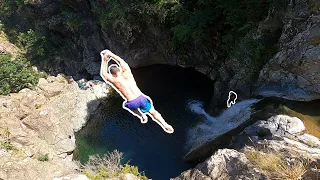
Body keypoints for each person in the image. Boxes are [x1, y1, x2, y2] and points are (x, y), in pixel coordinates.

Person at [100, 49, 174, 134]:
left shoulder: (114, 80)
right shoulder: (127, 73)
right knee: (153, 112)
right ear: (119, 70)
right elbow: (121, 61)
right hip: (141, 98)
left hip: (132, 102)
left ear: (112, 74)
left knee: (127, 105)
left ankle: (141, 115)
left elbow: (104, 74)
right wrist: (111, 54)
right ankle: (164, 124)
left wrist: (104, 60)